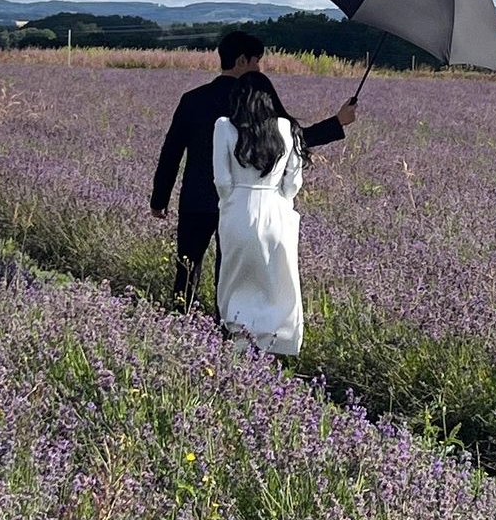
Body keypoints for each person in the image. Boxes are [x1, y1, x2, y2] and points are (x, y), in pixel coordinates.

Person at [150, 31, 355, 315]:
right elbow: (291, 139)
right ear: (241, 60)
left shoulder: (192, 99)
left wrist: (159, 199)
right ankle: (227, 324)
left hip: (196, 200)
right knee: (231, 271)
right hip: (240, 204)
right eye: (257, 61)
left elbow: (171, 152)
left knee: (187, 266)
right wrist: (336, 123)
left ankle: (179, 318)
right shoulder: (255, 101)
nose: (260, 68)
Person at [213, 72, 307, 354]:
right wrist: (279, 198)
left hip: (239, 208)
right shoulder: (288, 128)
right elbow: (293, 183)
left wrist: (232, 202)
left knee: (236, 277)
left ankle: (239, 339)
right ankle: (277, 343)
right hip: (276, 211)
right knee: (278, 280)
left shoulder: (224, 127)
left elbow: (222, 181)